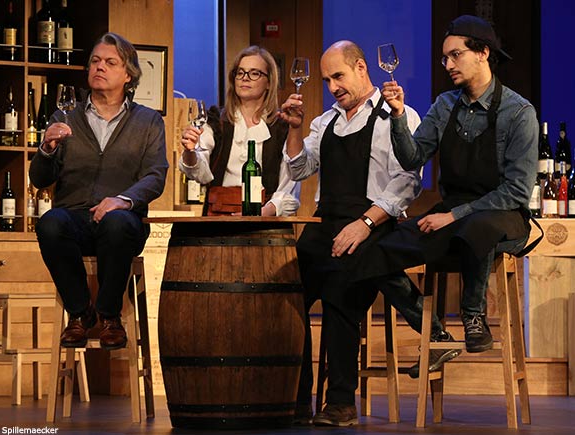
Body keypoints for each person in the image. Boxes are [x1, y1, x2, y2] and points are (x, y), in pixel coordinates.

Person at [279, 40, 457, 427]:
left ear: (361, 68)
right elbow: (299, 169)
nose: (332, 87)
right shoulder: (325, 122)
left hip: (373, 224)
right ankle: (294, 399)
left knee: (341, 293)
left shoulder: (397, 115)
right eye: (327, 81)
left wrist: (364, 223)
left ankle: (340, 402)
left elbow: (408, 182)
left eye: (338, 76)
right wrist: (293, 130)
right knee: (286, 298)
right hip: (324, 224)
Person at [371, 15, 537, 356]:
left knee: (478, 227)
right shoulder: (445, 105)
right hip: (452, 213)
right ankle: (433, 330)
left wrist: (453, 216)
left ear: (483, 53)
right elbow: (412, 158)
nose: (448, 64)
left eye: (455, 55)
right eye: (444, 58)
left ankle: (474, 316)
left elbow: (517, 191)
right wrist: (398, 115)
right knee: (376, 250)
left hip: (503, 214)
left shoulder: (519, 112)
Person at [29, 32, 168, 351]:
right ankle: (80, 313)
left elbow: (155, 175)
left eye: (110, 62)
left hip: (123, 221)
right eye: (95, 61)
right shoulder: (65, 116)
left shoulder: (148, 121)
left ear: (128, 75)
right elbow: (39, 178)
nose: (99, 67)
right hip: (75, 219)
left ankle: (109, 316)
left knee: (116, 224)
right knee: (50, 223)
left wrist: (122, 200)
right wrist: (47, 149)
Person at [180, 45, 300, 216]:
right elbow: (200, 172)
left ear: (269, 82)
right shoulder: (217, 121)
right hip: (218, 216)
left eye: (254, 73)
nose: (245, 78)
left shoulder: (281, 127)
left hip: (265, 219)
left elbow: (290, 186)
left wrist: (262, 213)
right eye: (240, 72)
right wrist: (190, 152)